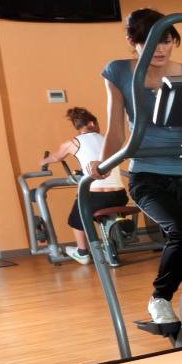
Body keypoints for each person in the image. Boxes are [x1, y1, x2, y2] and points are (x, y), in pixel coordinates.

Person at [99, 9, 182, 326]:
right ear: (131, 41)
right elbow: (115, 127)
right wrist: (103, 164)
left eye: (167, 41)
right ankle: (160, 298)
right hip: (148, 173)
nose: (160, 49)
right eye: (150, 42)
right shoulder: (119, 71)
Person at [44, 107, 125, 263]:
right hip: (120, 195)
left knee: (76, 218)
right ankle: (110, 244)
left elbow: (56, 157)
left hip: (96, 197)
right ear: (92, 123)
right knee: (97, 209)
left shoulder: (72, 143)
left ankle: (82, 252)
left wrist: (43, 161)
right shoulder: (109, 140)